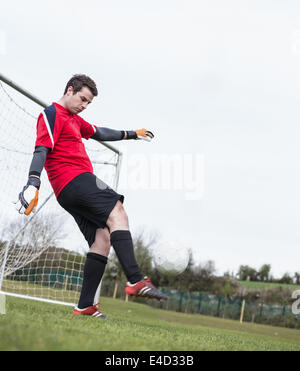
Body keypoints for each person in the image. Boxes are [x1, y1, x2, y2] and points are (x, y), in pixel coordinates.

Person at [16, 74, 167, 318]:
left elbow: (98, 132)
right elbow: (41, 148)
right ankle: (136, 280)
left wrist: (131, 134)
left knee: (101, 240)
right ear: (69, 90)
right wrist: (33, 181)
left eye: (88, 103)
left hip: (70, 190)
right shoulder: (51, 113)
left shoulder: (75, 120)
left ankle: (85, 306)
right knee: (117, 211)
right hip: (73, 180)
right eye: (82, 99)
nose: (84, 106)